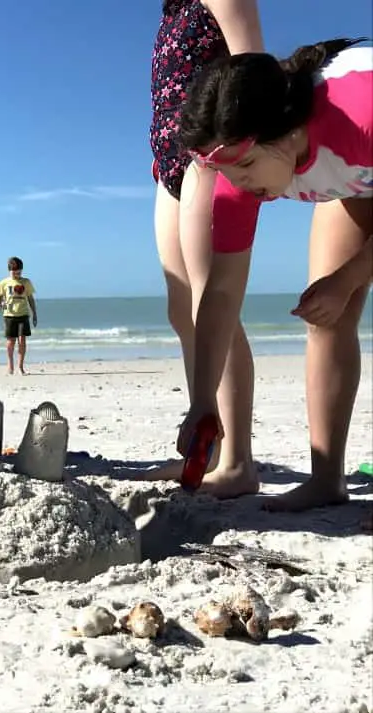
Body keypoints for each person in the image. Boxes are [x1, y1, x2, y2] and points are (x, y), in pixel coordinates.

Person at [175, 39, 372, 524]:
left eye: (244, 167)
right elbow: (220, 292)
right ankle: (328, 479)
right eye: (224, 171)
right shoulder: (237, 175)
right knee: (328, 317)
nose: (239, 185)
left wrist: (347, 277)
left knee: (339, 288)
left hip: (360, 144)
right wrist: (202, 401)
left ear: (285, 132)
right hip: (356, 177)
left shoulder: (361, 115)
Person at [150, 0, 264, 492]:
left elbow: (252, 70)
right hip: (171, 164)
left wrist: (233, 157)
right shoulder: (171, 8)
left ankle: (238, 462)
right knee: (182, 309)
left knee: (211, 301)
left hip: (213, 160)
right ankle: (206, 444)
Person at [0, 256, 37, 375]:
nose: (17, 275)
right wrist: (1, 304)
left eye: (19, 272)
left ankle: (21, 367)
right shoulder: (4, 282)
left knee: (22, 340)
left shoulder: (26, 282)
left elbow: (30, 298)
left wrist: (34, 314)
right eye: (14, 273)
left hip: (23, 314)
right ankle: (10, 366)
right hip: (9, 315)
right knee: (11, 341)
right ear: (10, 270)